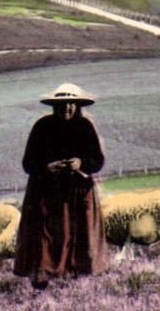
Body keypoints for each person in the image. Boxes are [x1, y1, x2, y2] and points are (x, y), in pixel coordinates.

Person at [14, 82, 109, 288]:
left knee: (77, 235)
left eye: (71, 103)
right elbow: (28, 163)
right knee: (46, 236)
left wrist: (80, 163)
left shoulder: (85, 127)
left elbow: (98, 161)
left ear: (77, 106)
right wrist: (47, 168)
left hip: (78, 193)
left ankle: (75, 279)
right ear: (54, 106)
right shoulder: (42, 127)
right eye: (63, 104)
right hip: (46, 194)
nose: (67, 107)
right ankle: (42, 280)